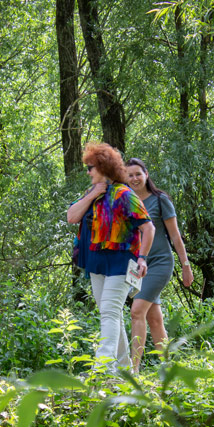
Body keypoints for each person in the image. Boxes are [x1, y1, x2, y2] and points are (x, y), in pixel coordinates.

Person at [67, 143, 154, 375]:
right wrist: (94, 193)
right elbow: (72, 217)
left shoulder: (124, 195)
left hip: (122, 262)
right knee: (110, 313)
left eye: (90, 167)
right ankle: (126, 372)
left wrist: (143, 258)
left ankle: (102, 368)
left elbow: (149, 228)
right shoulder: (91, 194)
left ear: (103, 167)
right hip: (96, 262)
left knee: (109, 312)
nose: (88, 172)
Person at [124, 158, 193, 373]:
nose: (134, 178)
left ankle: (134, 370)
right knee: (154, 318)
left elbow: (175, 235)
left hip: (161, 262)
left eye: (138, 173)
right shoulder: (126, 202)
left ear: (146, 174)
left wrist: (186, 265)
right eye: (130, 175)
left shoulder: (160, 199)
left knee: (137, 312)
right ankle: (168, 368)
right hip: (137, 267)